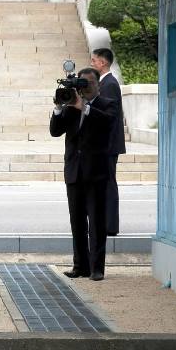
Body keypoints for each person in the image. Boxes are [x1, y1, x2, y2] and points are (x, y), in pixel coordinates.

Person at [50, 68, 117, 281]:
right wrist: (59, 108)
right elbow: (55, 131)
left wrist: (85, 108)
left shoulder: (107, 103)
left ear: (98, 84)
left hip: (96, 173)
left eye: (87, 83)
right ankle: (80, 265)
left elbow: (107, 123)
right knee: (77, 222)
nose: (83, 87)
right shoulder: (72, 105)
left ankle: (97, 268)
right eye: (81, 82)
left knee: (97, 223)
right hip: (74, 172)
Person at [90, 48, 126, 236]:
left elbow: (109, 116)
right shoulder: (105, 83)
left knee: (108, 184)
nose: (92, 63)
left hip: (108, 145)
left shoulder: (109, 84)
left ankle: (110, 225)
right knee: (104, 184)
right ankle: (104, 223)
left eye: (94, 60)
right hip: (106, 144)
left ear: (103, 63)